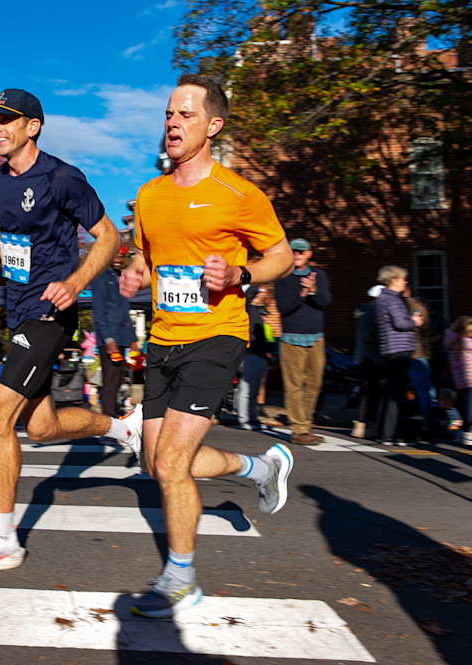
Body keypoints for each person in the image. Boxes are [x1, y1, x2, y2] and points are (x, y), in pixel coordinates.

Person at [0, 87, 141, 576]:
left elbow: (110, 236)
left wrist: (77, 282)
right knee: (40, 426)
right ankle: (126, 428)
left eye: (5, 119)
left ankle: (2, 537)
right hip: (18, 312)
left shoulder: (63, 178)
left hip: (50, 313)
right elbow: (7, 243)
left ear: (32, 126)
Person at [118, 74, 295, 617]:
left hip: (218, 336)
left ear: (213, 125)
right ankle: (259, 469)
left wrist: (239, 273)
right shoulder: (149, 196)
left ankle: (181, 578)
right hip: (164, 339)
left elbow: (282, 257)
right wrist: (133, 274)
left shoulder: (239, 194)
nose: (172, 122)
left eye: (186, 114)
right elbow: (147, 260)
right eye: (169, 113)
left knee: (172, 462)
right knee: (157, 463)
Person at [274, 238, 332, 445]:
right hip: (291, 338)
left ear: (309, 253)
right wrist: (302, 294)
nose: (297, 254)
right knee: (294, 385)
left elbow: (325, 301)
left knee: (314, 383)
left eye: (301, 251)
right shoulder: (283, 276)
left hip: (316, 337)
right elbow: (283, 307)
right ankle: (298, 429)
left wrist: (314, 290)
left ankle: (306, 425)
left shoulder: (319, 274)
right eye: (294, 251)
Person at [373, 266, 424, 446]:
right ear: (393, 280)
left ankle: (382, 432)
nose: (405, 282)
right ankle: (390, 434)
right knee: (395, 394)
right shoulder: (393, 300)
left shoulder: (382, 299)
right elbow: (401, 323)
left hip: (389, 348)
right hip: (399, 349)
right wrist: (414, 321)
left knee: (388, 392)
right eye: (403, 279)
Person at [91, 245, 135, 417]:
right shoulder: (100, 278)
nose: (119, 258)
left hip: (122, 337)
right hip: (110, 340)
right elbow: (99, 314)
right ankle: (108, 421)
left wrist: (132, 337)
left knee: (117, 381)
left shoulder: (120, 277)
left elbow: (126, 310)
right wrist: (108, 340)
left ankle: (113, 416)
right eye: (116, 255)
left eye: (122, 256)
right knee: (110, 381)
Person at [443, 315, 472, 446]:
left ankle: (458, 431)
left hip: (458, 376)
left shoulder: (453, 339)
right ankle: (468, 431)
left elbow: (446, 345)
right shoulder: (467, 340)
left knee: (459, 406)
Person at [234, 287, 274, 430]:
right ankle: (244, 419)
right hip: (250, 355)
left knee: (255, 391)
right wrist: (254, 287)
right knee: (246, 389)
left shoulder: (259, 312)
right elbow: (247, 296)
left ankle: (253, 417)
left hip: (261, 355)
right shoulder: (247, 309)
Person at [351, 285, 384, 439]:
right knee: (368, 393)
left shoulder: (370, 314)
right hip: (370, 359)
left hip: (373, 359)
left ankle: (367, 423)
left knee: (373, 393)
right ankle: (363, 424)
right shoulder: (368, 315)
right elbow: (370, 336)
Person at [404, 285, 436, 423]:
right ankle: (429, 421)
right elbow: (426, 334)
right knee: (425, 390)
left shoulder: (391, 306)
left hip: (398, 353)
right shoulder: (418, 308)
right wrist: (428, 353)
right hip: (417, 353)